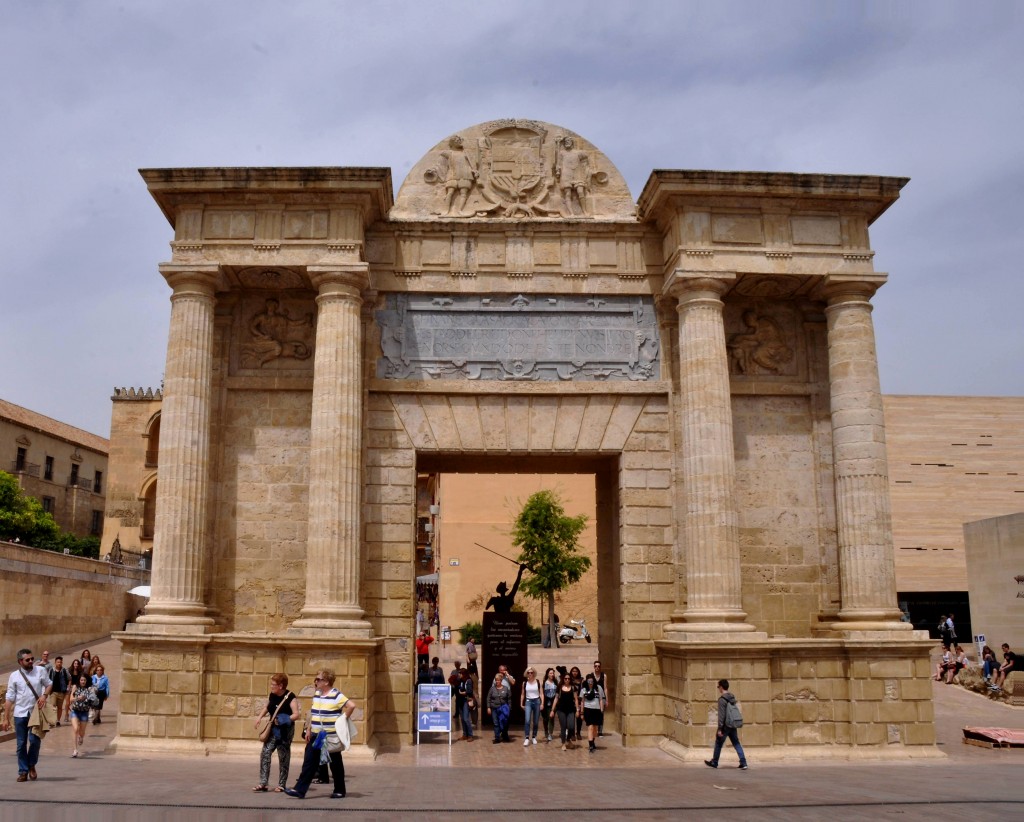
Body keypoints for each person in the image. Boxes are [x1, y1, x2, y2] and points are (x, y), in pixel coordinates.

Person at [285, 668, 355, 800]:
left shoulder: (336, 695)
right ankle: (299, 790)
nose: (315, 681)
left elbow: (351, 705)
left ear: (327, 682)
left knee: (335, 763)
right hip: (316, 735)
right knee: (309, 762)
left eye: (318, 679)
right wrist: (309, 729)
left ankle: (339, 790)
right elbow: (314, 712)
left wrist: (342, 718)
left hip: (330, 736)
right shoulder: (317, 694)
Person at [2, 648, 53, 781]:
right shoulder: (14, 676)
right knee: (21, 744)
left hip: (36, 712)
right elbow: (9, 698)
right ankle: (23, 771)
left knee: (35, 741)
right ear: (20, 661)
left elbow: (49, 684)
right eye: (27, 660)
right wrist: (6, 718)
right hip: (20, 713)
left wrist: (44, 696)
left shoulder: (40, 671)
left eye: (31, 658)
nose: (31, 661)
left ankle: (31, 765)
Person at [253, 673, 300, 793]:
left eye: (273, 684)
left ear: (281, 686)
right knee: (265, 752)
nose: (271, 686)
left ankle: (282, 784)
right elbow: (267, 706)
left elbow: (296, 714)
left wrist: (286, 719)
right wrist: (259, 717)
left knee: (283, 756)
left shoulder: (290, 697)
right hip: (273, 729)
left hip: (285, 731)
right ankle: (263, 783)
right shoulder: (273, 695)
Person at [705, 679, 748, 770]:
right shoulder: (732, 697)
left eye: (718, 687)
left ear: (721, 687)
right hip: (732, 723)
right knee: (736, 742)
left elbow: (721, 715)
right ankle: (743, 763)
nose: (718, 689)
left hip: (725, 725)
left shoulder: (722, 699)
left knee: (718, 743)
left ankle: (714, 762)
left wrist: (720, 728)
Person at [68, 672, 97, 758]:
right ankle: (75, 750)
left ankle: (81, 737)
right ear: (79, 680)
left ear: (86, 681)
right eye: (81, 680)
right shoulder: (75, 687)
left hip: (84, 712)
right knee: (75, 729)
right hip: (75, 711)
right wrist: (78, 698)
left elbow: (94, 699)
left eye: (84, 680)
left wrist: (87, 698)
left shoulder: (90, 688)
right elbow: (71, 699)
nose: (83, 681)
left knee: (82, 732)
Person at [551, 672, 579, 751]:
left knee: (571, 726)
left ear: (570, 679)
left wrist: (577, 710)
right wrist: (552, 710)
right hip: (561, 710)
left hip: (570, 710)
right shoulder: (559, 687)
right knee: (563, 726)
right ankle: (563, 743)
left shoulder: (573, 688)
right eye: (565, 678)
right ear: (563, 679)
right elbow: (556, 699)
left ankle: (568, 739)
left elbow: (576, 699)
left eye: (568, 679)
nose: (567, 680)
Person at [579, 672, 605, 753]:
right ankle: (590, 745)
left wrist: (601, 710)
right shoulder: (583, 690)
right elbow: (582, 702)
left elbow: (601, 699)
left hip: (597, 709)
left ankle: (593, 742)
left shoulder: (598, 688)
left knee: (595, 728)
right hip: (588, 709)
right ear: (586, 681)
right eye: (589, 681)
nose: (590, 683)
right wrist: (582, 712)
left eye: (592, 681)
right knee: (590, 727)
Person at [486, 672, 512, 744]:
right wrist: (488, 707)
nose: (497, 681)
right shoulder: (492, 689)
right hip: (494, 708)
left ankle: (504, 735)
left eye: (498, 680)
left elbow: (509, 699)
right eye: (496, 680)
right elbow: (488, 698)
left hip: (503, 708)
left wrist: (509, 708)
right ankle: (497, 737)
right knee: (496, 723)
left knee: (504, 723)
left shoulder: (506, 688)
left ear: (501, 681)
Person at [520, 667, 541, 746]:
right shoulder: (525, 683)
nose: (530, 674)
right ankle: (526, 737)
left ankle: (534, 736)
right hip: (528, 701)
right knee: (527, 720)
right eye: (528, 672)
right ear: (526, 674)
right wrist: (521, 703)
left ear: (534, 673)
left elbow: (541, 693)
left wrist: (542, 703)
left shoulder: (538, 682)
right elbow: (522, 694)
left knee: (535, 721)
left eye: (531, 672)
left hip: (536, 701)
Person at [455, 668, 475, 742]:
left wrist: (464, 693)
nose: (459, 675)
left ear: (463, 674)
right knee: (462, 719)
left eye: (460, 673)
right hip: (460, 701)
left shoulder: (468, 681)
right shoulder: (460, 681)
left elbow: (469, 691)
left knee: (466, 718)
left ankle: (470, 735)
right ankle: (465, 734)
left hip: (466, 701)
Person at [49, 657, 69, 727]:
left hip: (61, 692)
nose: (59, 663)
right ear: (55, 662)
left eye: (60, 662)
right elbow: (48, 680)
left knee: (60, 707)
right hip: (53, 692)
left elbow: (69, 679)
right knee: (53, 706)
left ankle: (58, 720)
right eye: (58, 662)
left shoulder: (64, 671)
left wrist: (68, 688)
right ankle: (52, 721)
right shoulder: (51, 670)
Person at [592, 661, 609, 737]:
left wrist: (607, 699)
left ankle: (600, 731)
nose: (597, 668)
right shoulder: (591, 675)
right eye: (596, 666)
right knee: (594, 714)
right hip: (594, 698)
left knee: (601, 714)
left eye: (598, 666)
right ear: (594, 667)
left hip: (602, 697)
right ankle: (594, 730)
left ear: (600, 667)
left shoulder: (604, 676)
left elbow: (605, 688)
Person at [541, 668, 558, 742]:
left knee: (551, 718)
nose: (552, 674)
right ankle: (546, 731)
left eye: (553, 673)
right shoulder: (544, 683)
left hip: (553, 703)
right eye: (550, 673)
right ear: (547, 674)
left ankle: (550, 734)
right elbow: (541, 693)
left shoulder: (556, 683)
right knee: (545, 719)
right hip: (545, 703)